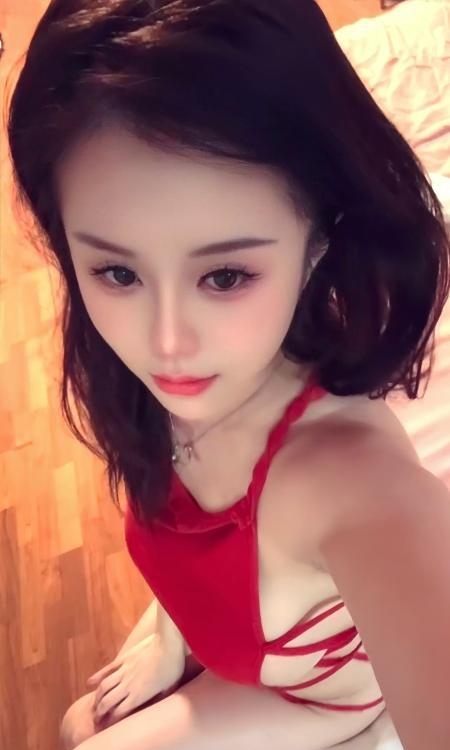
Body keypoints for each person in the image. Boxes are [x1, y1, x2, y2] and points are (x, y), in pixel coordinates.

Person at [6, 1, 450, 749]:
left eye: (225, 276)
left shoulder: (357, 484)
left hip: (320, 699)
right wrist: (168, 639)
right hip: (216, 640)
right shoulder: (152, 383)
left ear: (319, 240)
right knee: (79, 721)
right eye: (117, 272)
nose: (166, 345)